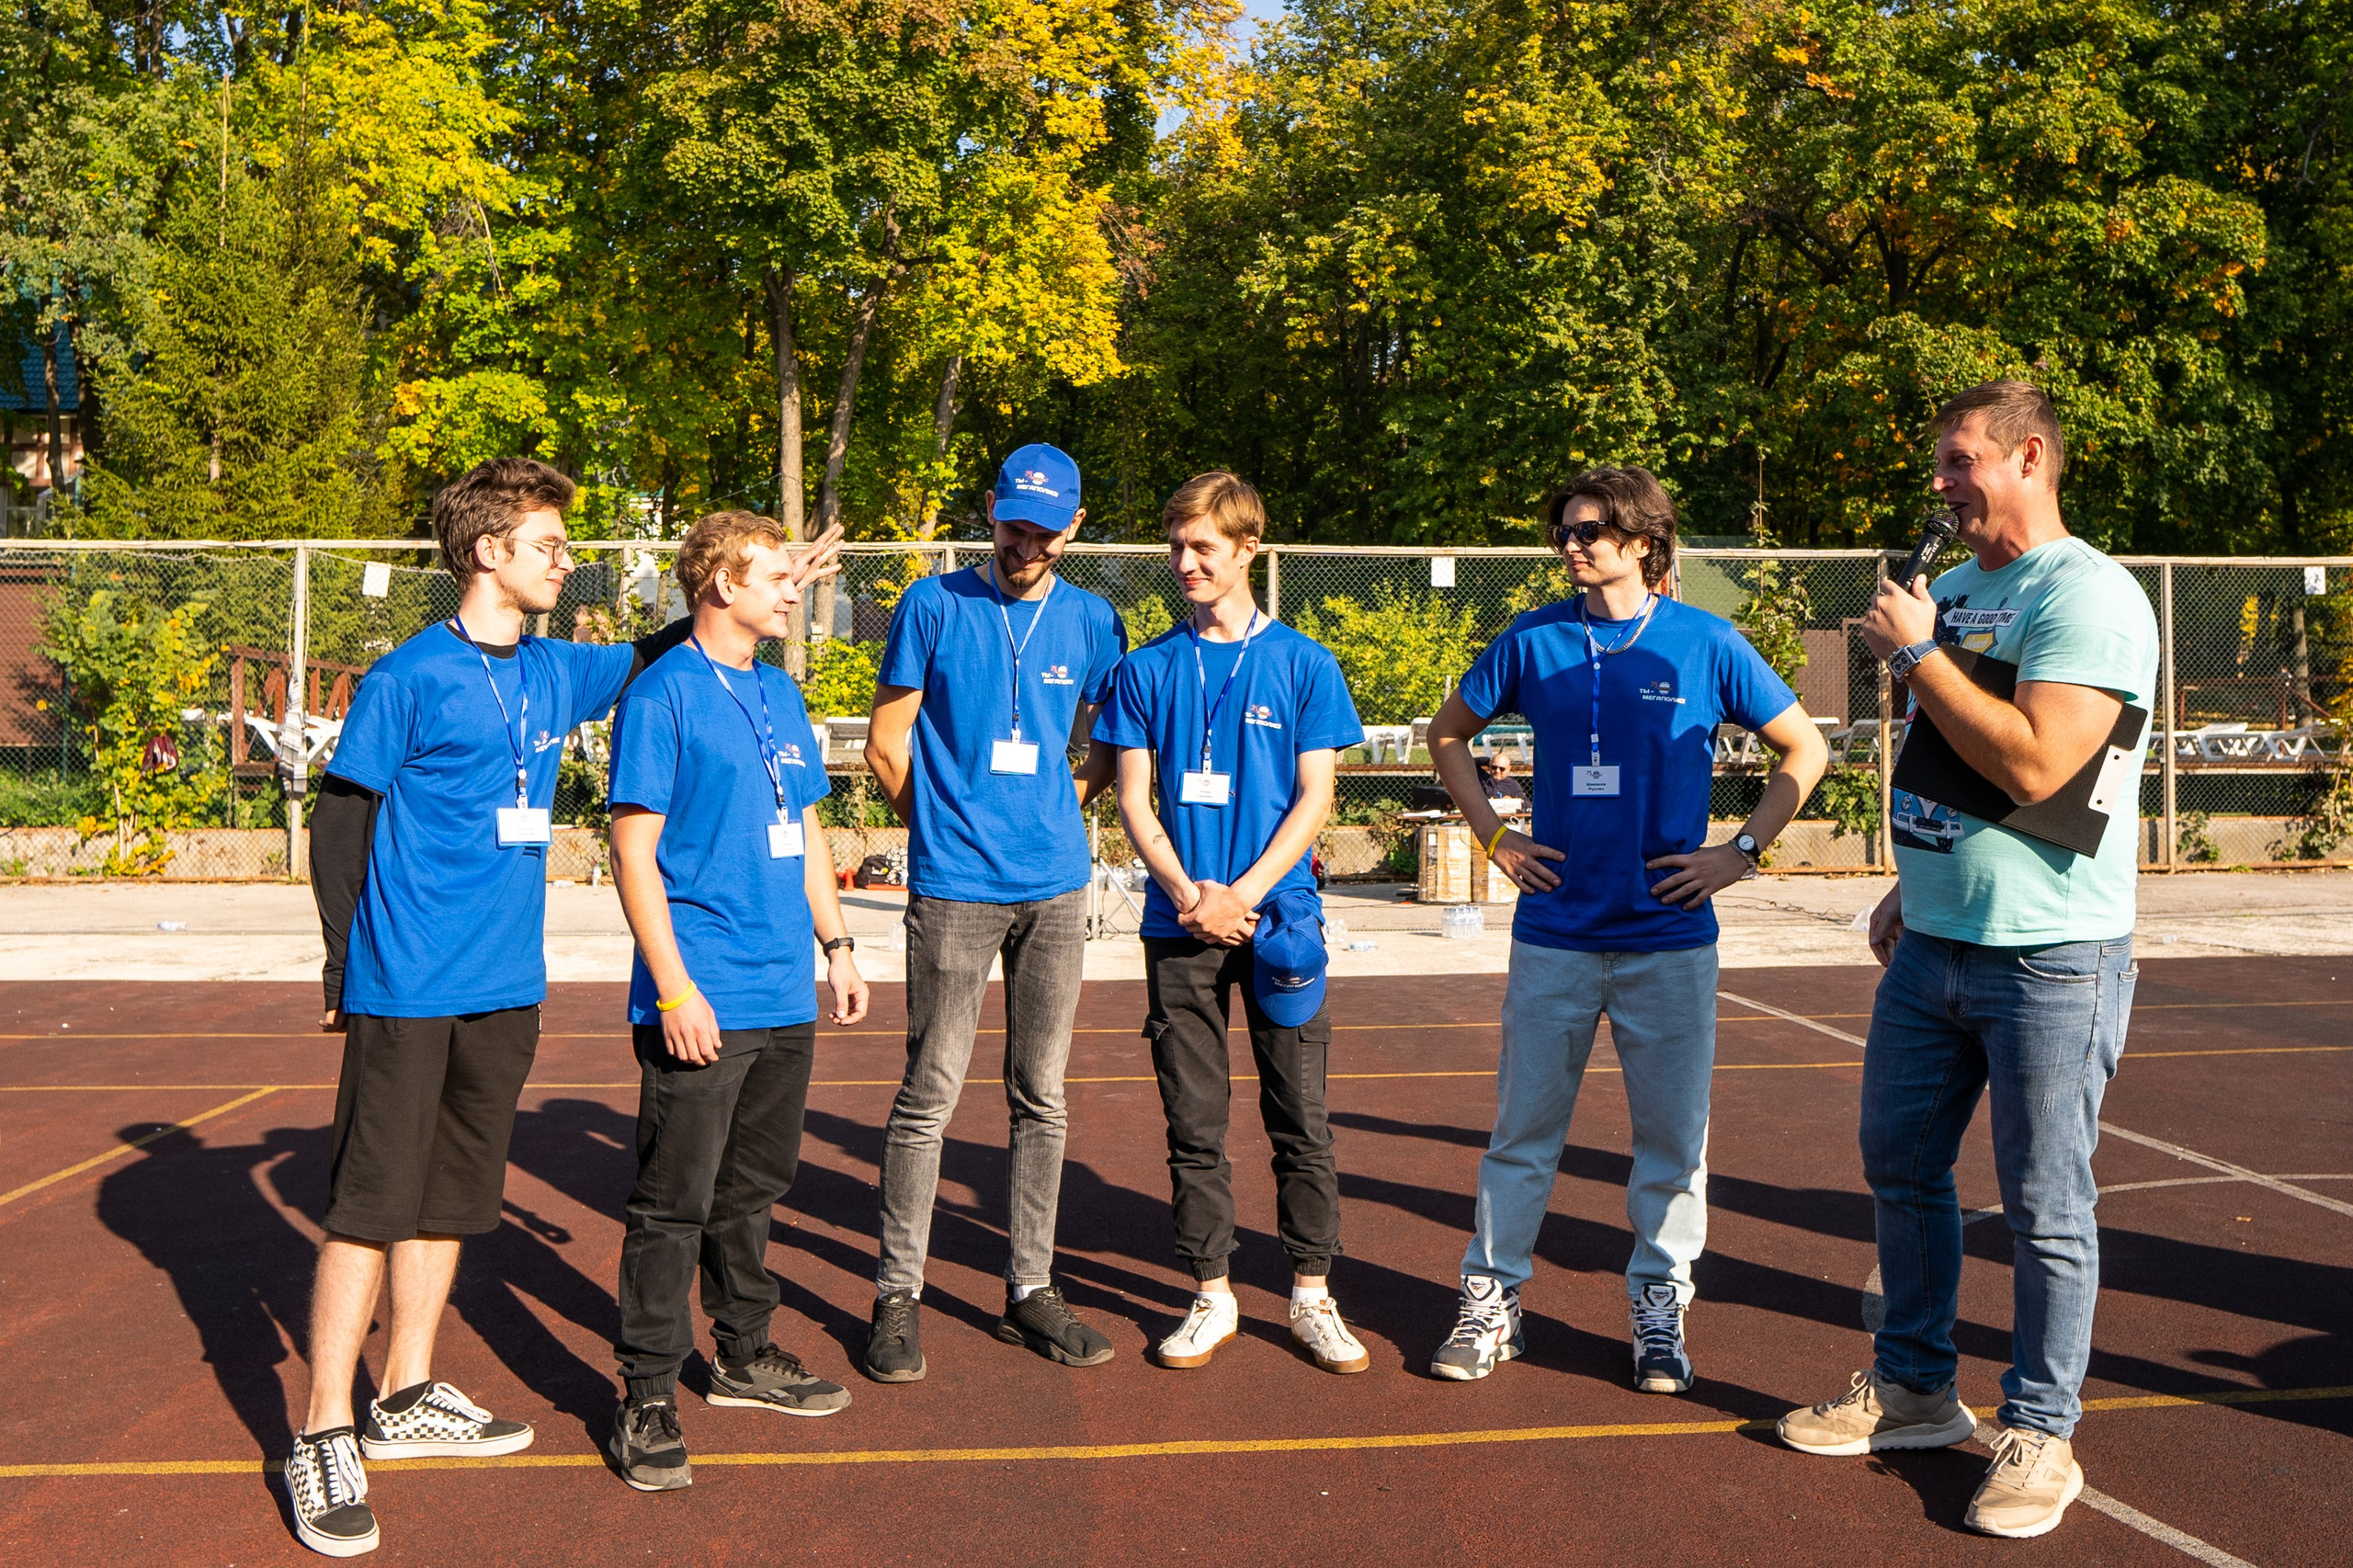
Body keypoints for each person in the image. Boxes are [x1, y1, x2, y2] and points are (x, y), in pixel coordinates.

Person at [290, 457, 838, 1556]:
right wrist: (346, 967)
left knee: (451, 1196)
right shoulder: (411, 675)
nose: (566, 560)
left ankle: (406, 1390)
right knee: (371, 1204)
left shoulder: (553, 669)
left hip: (506, 985)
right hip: (407, 980)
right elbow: (340, 819)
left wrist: (772, 581)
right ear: (488, 551)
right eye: (548, 544)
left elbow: (661, 646)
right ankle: (323, 1429)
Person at [1779, 381, 2156, 1540]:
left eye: (1959, 460)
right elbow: (1949, 756)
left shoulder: (2086, 593)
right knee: (1898, 1166)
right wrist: (1918, 874)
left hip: (2051, 956)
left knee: (2045, 1204)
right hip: (1932, 941)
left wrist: (1919, 651)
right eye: (1939, 463)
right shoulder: (1952, 590)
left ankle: (2040, 1427)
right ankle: (1913, 1387)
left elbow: (2041, 764)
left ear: (2028, 456)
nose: (1940, 482)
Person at [1422, 466, 1826, 1393]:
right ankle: (1492, 1299)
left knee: (1672, 1144)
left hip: (1668, 940)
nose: (1571, 545)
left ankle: (1659, 1304)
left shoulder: (1706, 642)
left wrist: (1740, 852)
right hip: (1555, 933)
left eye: (1590, 531)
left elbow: (1806, 748)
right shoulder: (1532, 638)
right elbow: (1448, 734)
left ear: (1644, 542)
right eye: (1563, 531)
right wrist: (1494, 836)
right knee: (1522, 1134)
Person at [604, 511, 871, 1491]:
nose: (795, 588)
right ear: (721, 584)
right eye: (776, 577)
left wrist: (837, 946)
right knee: (672, 1202)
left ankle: (743, 1352)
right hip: (700, 991)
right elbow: (632, 851)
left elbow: (804, 828)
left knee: (752, 1189)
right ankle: (645, 1392)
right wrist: (674, 987)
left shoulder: (778, 689)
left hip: (782, 988)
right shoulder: (663, 694)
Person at [858, 443, 1127, 1382]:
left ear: (1074, 529)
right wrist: (944, 828)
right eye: (1015, 527)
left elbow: (1110, 744)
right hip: (955, 888)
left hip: (1054, 887)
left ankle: (1030, 1288)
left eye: (1047, 533)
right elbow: (885, 742)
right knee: (928, 1095)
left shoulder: (1092, 619)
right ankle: (898, 1294)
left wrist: (1057, 809)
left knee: (1041, 1095)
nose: (1027, 546)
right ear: (990, 510)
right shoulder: (932, 604)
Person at [1096, 471, 1370, 1373]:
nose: (1185, 562)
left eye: (1203, 546)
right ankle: (1211, 1293)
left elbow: (1315, 798)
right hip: (1178, 923)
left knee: (1300, 1117)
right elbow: (1131, 799)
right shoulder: (1144, 669)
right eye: (1176, 546)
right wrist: (1189, 894)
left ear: (1249, 548)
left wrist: (1240, 894)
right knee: (1194, 1121)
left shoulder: (1304, 663)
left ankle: (1312, 1293)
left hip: (1278, 919)